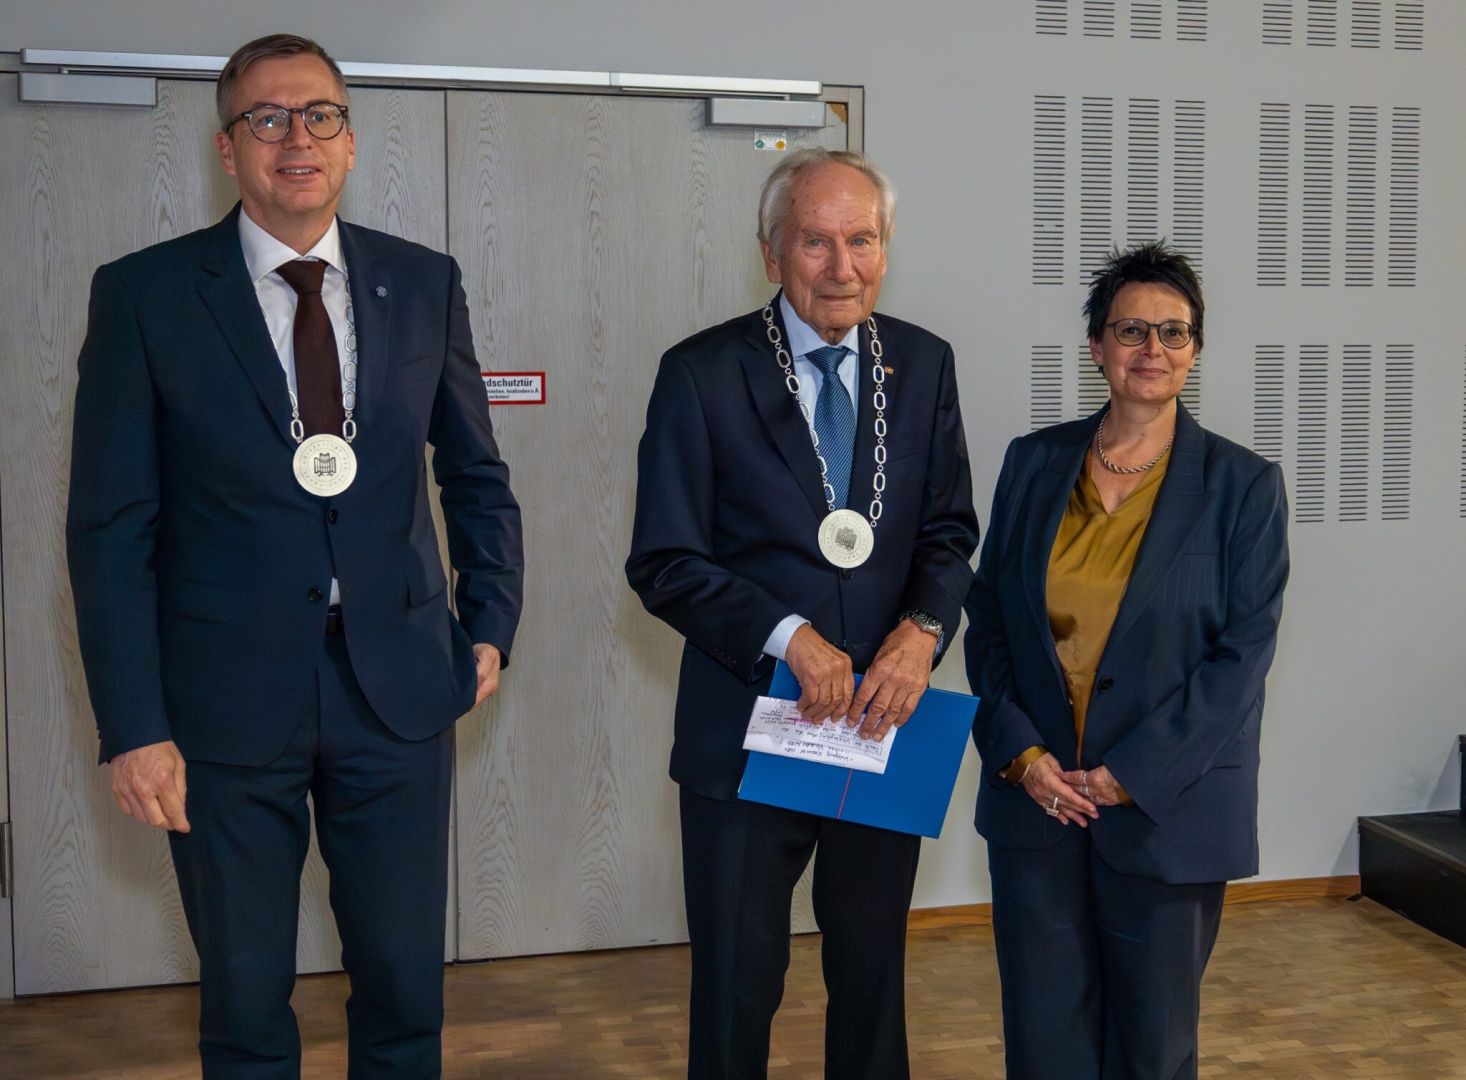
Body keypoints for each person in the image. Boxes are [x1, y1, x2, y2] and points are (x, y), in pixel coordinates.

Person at [65, 33, 523, 1078]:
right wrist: (133, 724)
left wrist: (489, 623)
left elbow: (476, 474)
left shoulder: (422, 282)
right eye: (265, 119)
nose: (295, 138)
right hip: (221, 705)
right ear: (228, 149)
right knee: (242, 992)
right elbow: (109, 527)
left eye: (318, 115)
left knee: (406, 984)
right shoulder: (144, 296)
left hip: (397, 688)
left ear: (350, 141)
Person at [626, 147, 980, 1080]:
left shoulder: (925, 363)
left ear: (886, 247)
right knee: (740, 981)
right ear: (771, 253)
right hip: (749, 728)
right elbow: (662, 560)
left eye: (861, 239)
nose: (842, 265)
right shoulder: (701, 373)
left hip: (878, 722)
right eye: (815, 243)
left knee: (872, 978)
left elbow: (948, 533)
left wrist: (924, 631)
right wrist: (789, 637)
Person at [964, 240, 1289, 1079]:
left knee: (1152, 1045)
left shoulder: (1244, 486)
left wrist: (1131, 773)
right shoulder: (1033, 464)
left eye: (1174, 333)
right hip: (1037, 805)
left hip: (1165, 813)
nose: (1153, 351)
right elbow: (990, 621)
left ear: (1196, 349)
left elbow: (1242, 656)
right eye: (1132, 330)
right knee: (1044, 1042)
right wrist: (1021, 753)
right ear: (1097, 346)